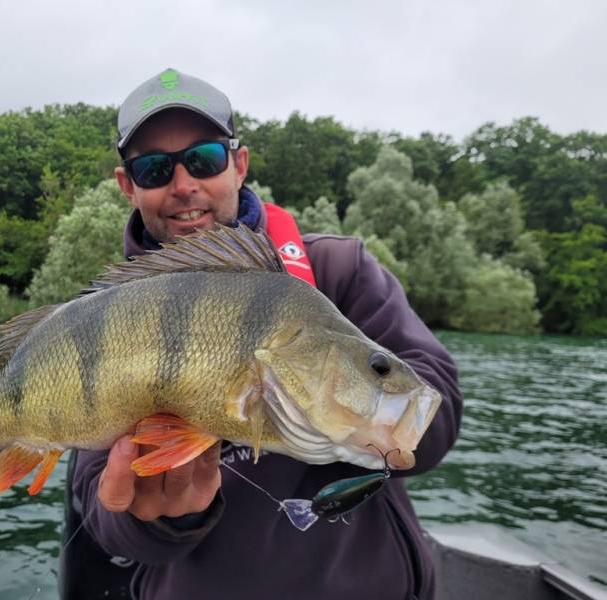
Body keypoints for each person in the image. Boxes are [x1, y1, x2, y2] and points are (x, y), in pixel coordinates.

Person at [61, 68, 463, 600]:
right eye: (154, 168)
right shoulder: (107, 318)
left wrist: (377, 421)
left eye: (204, 158)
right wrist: (158, 518)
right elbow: (104, 512)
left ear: (239, 164)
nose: (184, 185)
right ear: (127, 185)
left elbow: (435, 404)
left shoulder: (336, 269)